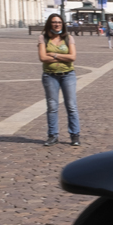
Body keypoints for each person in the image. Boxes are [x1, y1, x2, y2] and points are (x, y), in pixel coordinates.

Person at [37, 14, 80, 147]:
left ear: (63, 24)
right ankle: (52, 135)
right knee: (52, 106)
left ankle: (75, 135)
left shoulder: (68, 38)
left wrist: (54, 55)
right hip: (50, 75)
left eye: (59, 22)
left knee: (71, 106)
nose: (57, 24)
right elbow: (43, 58)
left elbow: (72, 57)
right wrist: (63, 57)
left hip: (68, 75)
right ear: (49, 24)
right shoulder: (43, 38)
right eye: (54, 22)